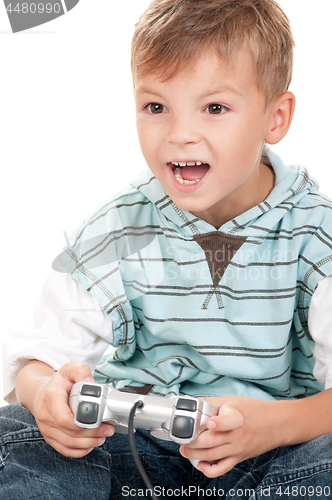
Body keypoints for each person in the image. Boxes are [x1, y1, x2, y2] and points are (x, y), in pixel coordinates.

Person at [1, 0, 332, 498]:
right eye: (156, 107)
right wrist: (46, 394)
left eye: (215, 108)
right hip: (137, 453)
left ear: (275, 117)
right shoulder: (117, 229)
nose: (179, 135)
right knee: (15, 433)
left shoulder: (316, 238)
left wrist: (275, 426)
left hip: (277, 459)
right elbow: (36, 359)